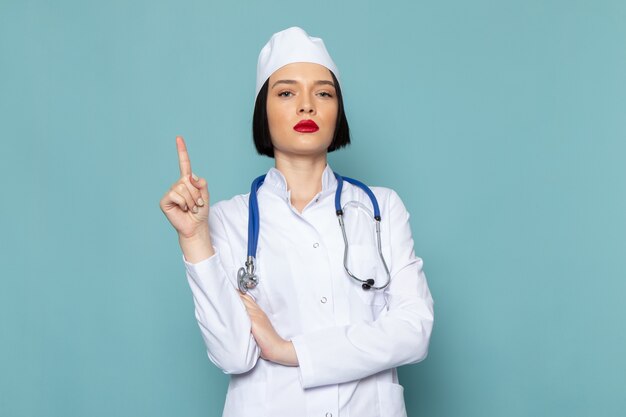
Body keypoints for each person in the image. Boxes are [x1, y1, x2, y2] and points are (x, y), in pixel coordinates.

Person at [159, 26, 434, 417]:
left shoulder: (381, 208)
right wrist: (193, 239)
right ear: (263, 111)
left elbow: (414, 331)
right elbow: (233, 355)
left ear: (337, 110)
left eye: (323, 92)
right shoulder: (228, 219)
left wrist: (289, 351)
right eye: (286, 92)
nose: (307, 106)